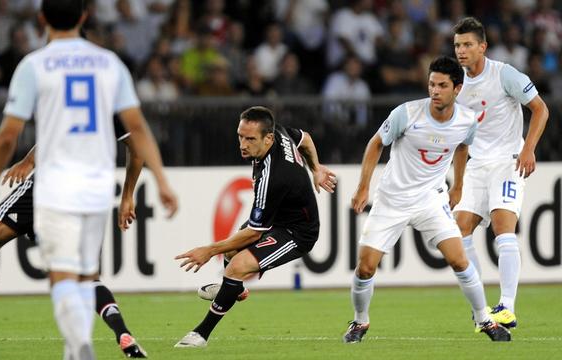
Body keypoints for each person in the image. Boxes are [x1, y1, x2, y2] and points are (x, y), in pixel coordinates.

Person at [0, 1, 172, 359]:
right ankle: (121, 334)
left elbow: (7, 134)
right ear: (83, 17)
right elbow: (137, 138)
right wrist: (135, 193)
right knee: (85, 274)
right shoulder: (110, 65)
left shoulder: (36, 65)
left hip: (52, 184)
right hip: (93, 189)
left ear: (42, 19)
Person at [0, 118, 176, 358]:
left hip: (49, 184)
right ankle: (123, 332)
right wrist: (127, 195)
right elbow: (138, 149)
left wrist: (28, 161)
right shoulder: (112, 102)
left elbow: (42, 133)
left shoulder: (64, 87)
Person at [344, 56, 511, 343]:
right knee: (366, 266)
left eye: (442, 85)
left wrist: (457, 186)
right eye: (432, 84)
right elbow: (375, 144)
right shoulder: (407, 114)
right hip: (392, 200)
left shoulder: (467, 120)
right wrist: (363, 188)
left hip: (430, 201)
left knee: (460, 260)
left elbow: (462, 148)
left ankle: (484, 319)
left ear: (457, 89)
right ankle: (360, 322)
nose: (435, 90)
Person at [173, 106, 337, 348]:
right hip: (276, 217)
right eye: (240, 136)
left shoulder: (275, 176)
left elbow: (254, 232)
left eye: (250, 139)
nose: (243, 144)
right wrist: (317, 168)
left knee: (237, 265)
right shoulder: (278, 131)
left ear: (267, 138)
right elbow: (306, 138)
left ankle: (201, 334)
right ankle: (234, 290)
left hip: (296, 232)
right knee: (230, 253)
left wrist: (208, 250)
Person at [452, 17, 549, 328]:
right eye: (457, 45)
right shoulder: (457, 84)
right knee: (460, 229)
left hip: (508, 161)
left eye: (467, 45)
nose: (461, 51)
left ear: (483, 47)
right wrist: (457, 182)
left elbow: (540, 109)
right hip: (477, 164)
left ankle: (507, 306)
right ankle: (482, 306)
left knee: (502, 227)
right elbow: (459, 140)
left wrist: (528, 149)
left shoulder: (503, 74)